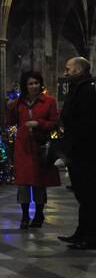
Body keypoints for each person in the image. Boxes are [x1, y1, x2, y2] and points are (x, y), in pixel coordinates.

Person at [7, 71, 59, 229]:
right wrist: (9, 108)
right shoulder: (18, 103)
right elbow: (10, 122)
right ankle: (24, 215)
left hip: (40, 146)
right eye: (30, 83)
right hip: (23, 147)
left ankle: (38, 214)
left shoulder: (49, 101)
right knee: (23, 184)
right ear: (25, 86)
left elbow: (54, 122)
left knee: (39, 182)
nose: (34, 86)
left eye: (36, 83)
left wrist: (39, 124)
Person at [58, 57, 96, 249]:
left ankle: (90, 237)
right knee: (83, 195)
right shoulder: (78, 88)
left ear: (79, 70)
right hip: (77, 150)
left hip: (85, 151)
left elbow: (86, 122)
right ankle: (81, 233)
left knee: (88, 195)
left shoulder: (88, 90)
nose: (65, 73)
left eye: (68, 69)